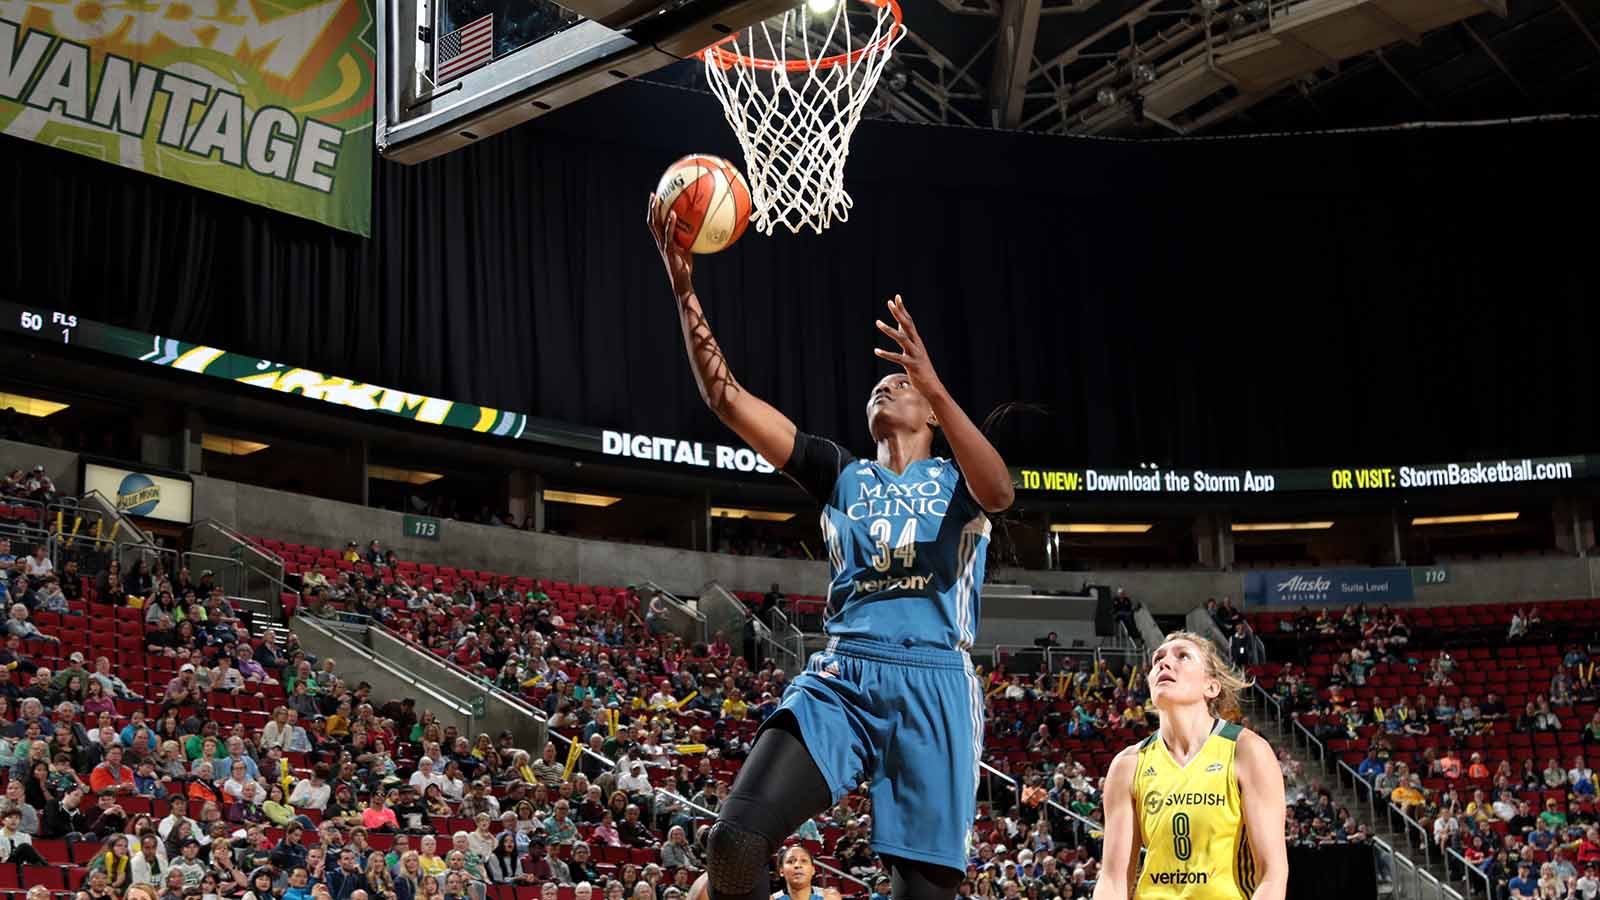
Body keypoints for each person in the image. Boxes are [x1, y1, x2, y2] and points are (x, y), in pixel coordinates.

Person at [647, 201, 1014, 900]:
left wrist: (934, 381)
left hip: (934, 683)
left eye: (902, 384)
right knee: (733, 842)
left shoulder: (959, 477)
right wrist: (685, 291)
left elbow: (999, 493)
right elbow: (728, 401)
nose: (887, 387)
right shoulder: (843, 474)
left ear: (935, 412)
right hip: (844, 675)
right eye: (880, 384)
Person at [1093, 632, 1288, 900]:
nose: (1164, 663)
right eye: (1157, 658)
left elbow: (1272, 874)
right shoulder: (1127, 764)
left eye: (1182, 656)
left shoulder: (1246, 751)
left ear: (1211, 686)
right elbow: (1113, 880)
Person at [772, 845, 842, 900]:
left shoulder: (831, 897)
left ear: (813, 870)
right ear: (781, 871)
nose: (798, 865)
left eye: (804, 861)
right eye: (790, 861)